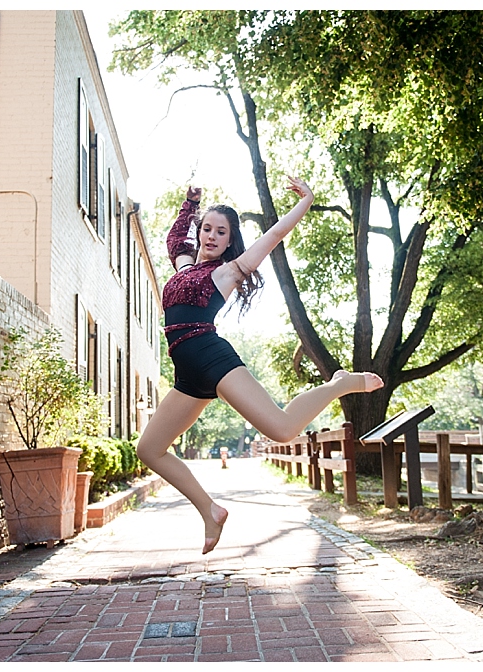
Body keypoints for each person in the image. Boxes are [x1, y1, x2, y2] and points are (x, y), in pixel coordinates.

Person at [136, 177, 384, 554]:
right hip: (187, 374)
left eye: (221, 232)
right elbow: (175, 239)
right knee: (149, 449)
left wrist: (306, 202)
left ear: (230, 239)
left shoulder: (229, 271)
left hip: (211, 358)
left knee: (282, 429)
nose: (212, 236)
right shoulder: (184, 265)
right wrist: (190, 202)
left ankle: (338, 384)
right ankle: (210, 510)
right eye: (207, 229)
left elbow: (275, 235)